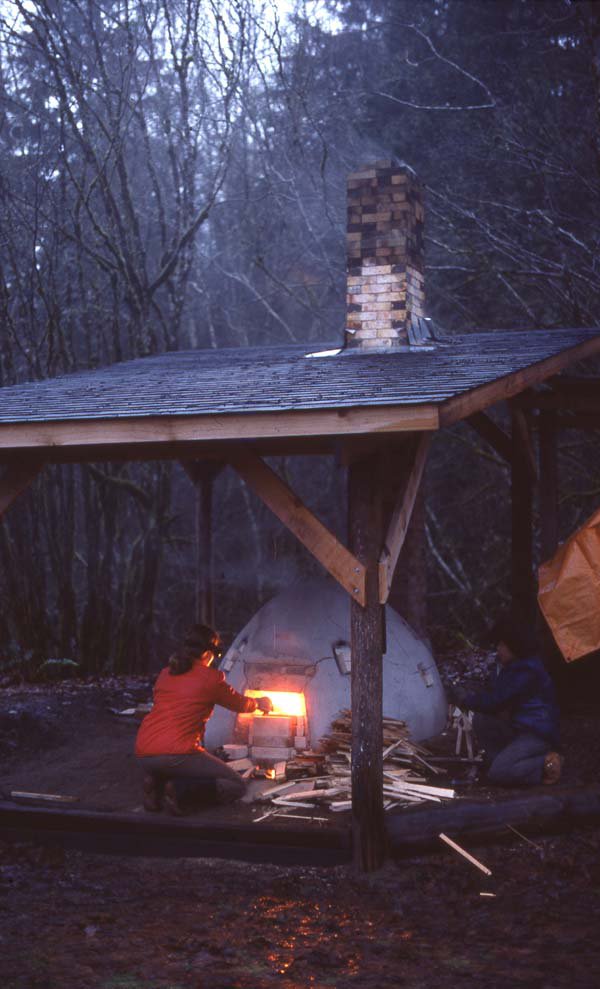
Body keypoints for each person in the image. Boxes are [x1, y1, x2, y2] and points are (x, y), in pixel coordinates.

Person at [135, 623, 272, 814]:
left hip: (144, 752)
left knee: (180, 764)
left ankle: (156, 782)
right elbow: (239, 704)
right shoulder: (211, 678)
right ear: (208, 654)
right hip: (178, 753)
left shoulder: (166, 673)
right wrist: (260, 703)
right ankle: (181, 792)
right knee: (235, 784)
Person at [448, 616, 562, 787]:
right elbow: (495, 694)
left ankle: (547, 764)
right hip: (519, 728)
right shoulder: (515, 667)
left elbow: (496, 701)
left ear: (514, 646)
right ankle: (503, 761)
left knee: (499, 773)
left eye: (501, 645)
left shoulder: (527, 670)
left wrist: (465, 699)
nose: (498, 649)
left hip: (536, 734)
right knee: (482, 720)